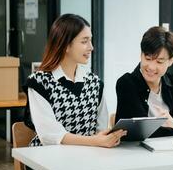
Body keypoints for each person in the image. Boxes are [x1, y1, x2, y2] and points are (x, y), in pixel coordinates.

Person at [25, 14, 126, 148]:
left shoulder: (95, 83)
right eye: (84, 41)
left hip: (88, 158)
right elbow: (49, 135)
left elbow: (100, 128)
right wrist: (95, 141)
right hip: (48, 160)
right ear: (65, 45)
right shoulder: (39, 82)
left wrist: (108, 138)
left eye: (91, 40)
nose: (91, 47)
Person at [115, 26, 173, 137]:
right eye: (148, 58)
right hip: (136, 153)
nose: (151, 67)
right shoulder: (127, 84)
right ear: (141, 55)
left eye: (159, 62)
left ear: (170, 61)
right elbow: (138, 133)